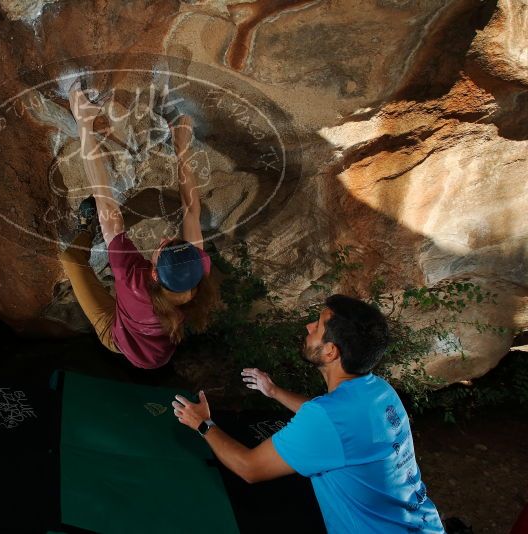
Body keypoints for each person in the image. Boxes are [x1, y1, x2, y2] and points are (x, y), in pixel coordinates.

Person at [172, 294, 446, 533]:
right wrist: (274, 392)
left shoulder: (328, 418)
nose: (308, 326)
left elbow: (250, 468)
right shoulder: (380, 391)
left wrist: (203, 423)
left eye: (318, 326)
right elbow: (336, 427)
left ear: (330, 351)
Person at [58, 76, 218, 369]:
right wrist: (182, 149)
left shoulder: (134, 283)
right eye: (172, 243)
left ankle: (84, 228)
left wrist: (84, 123)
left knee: (70, 258)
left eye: (161, 251)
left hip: (118, 337)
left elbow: (105, 202)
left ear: (154, 275)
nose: (161, 241)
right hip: (158, 346)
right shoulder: (193, 269)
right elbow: (191, 211)